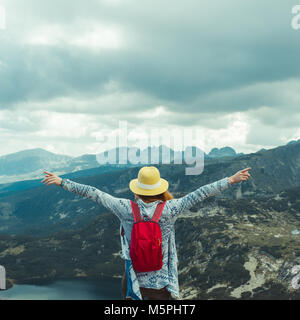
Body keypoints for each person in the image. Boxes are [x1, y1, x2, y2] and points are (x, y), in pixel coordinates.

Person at [42, 165, 251, 300]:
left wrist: (62, 182)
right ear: (159, 188)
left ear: (137, 190)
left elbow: (94, 194)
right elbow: (201, 193)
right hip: (162, 284)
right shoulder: (171, 209)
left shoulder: (125, 208)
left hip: (133, 281)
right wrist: (231, 180)